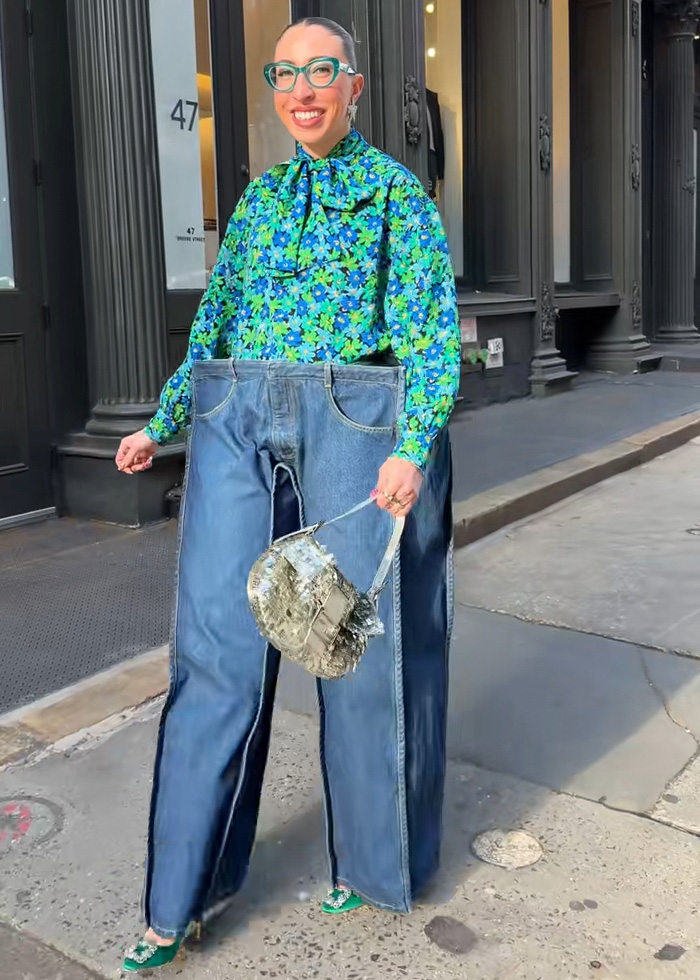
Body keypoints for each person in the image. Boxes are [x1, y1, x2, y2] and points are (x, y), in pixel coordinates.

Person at [116, 16, 460, 973]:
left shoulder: (395, 196)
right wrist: (162, 420)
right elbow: (217, 323)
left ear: (353, 85)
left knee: (359, 655)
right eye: (285, 74)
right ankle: (181, 898)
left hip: (355, 421)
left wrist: (413, 448)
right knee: (217, 648)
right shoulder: (261, 199)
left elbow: (431, 334)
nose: (301, 90)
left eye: (321, 71)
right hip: (238, 416)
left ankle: (379, 866)